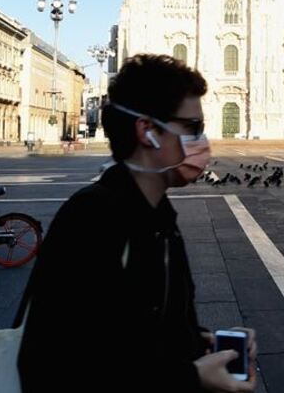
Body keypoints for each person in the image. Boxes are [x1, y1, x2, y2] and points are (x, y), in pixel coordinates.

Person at [15, 54, 257, 393]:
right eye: (192, 128)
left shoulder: (161, 219)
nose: (202, 142)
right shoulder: (91, 219)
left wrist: (202, 345)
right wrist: (190, 377)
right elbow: (50, 367)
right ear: (148, 131)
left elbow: (139, 335)